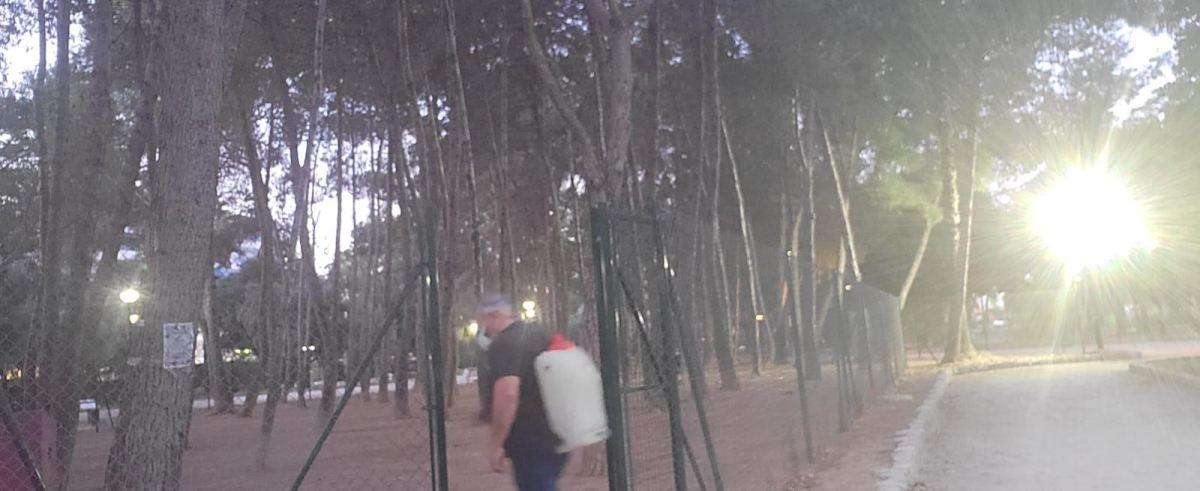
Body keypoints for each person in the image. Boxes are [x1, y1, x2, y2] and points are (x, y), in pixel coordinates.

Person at [477, 294, 565, 491]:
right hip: (556, 431)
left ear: (494, 315)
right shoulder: (539, 333)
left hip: (530, 440)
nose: (484, 329)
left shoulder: (504, 344)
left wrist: (497, 444)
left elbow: (508, 394)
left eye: (483, 321)